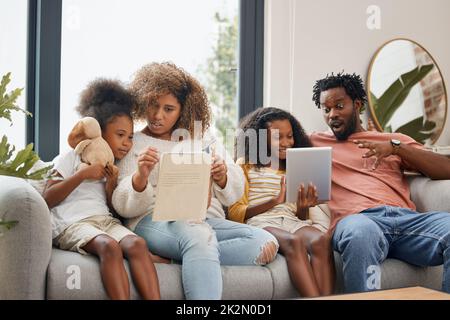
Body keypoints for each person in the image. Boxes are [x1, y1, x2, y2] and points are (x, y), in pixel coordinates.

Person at [111, 62, 279, 300]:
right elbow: (122, 206)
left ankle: (182, 257)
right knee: (199, 236)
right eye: (153, 105)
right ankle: (195, 254)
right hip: (152, 219)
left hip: (203, 219)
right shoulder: (133, 142)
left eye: (168, 109)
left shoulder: (203, 138)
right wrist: (140, 177)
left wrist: (222, 178)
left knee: (264, 242)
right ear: (143, 100)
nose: (158, 115)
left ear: (184, 109)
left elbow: (234, 192)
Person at [310, 72, 450, 293]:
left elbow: (446, 169)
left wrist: (396, 148)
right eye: (326, 109)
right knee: (361, 233)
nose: (332, 115)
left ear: (357, 105)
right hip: (360, 221)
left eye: (339, 106)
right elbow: (274, 136)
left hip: (407, 222)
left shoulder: (393, 141)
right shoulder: (314, 143)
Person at [43, 79, 160, 300]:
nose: (126, 143)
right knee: (110, 247)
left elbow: (112, 211)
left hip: (103, 221)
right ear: (99, 133)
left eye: (130, 137)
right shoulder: (71, 157)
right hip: (72, 224)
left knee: (137, 244)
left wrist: (110, 185)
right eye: (120, 135)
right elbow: (48, 198)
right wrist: (83, 175)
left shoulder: (113, 167)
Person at [228, 107, 334, 297]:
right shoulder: (246, 164)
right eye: (278, 137)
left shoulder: (295, 166)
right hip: (261, 223)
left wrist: (303, 208)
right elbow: (235, 213)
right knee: (293, 242)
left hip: (291, 220)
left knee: (321, 240)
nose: (287, 143)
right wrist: (275, 201)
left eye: (290, 136)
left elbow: (300, 215)